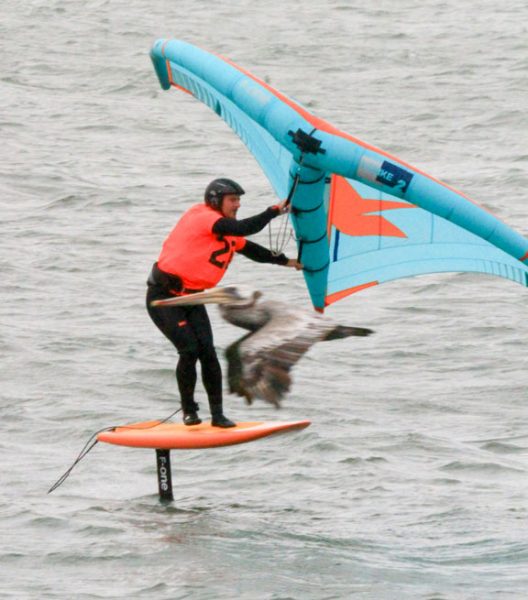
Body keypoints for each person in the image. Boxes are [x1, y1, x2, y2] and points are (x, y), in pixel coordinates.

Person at [146, 178, 302, 428]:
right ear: (216, 201)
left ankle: (217, 415)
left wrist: (288, 262)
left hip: (193, 298)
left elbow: (252, 249)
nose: (237, 204)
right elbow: (243, 228)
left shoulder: (226, 233)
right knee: (189, 350)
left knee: (208, 352)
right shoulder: (202, 216)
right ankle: (189, 411)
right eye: (233, 200)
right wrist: (274, 211)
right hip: (164, 297)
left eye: (239, 200)